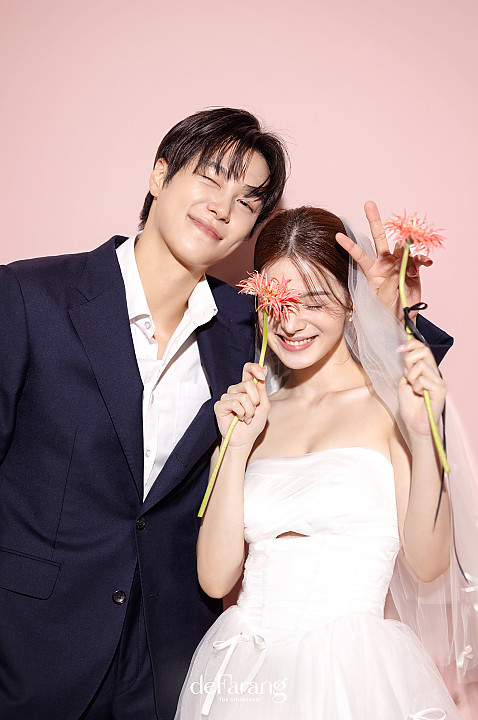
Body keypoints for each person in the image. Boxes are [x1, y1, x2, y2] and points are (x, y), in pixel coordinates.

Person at [0, 108, 288, 720]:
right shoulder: (29, 296)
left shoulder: (247, 335)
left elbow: (352, 360)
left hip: (167, 666)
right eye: (211, 178)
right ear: (160, 175)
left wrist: (389, 300)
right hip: (30, 652)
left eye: (246, 201)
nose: (222, 207)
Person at [173, 207, 472, 719]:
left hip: (353, 674)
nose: (290, 323)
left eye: (314, 302)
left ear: (352, 302)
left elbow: (428, 563)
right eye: (277, 301)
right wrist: (235, 449)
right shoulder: (256, 413)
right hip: (247, 674)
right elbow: (216, 580)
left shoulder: (390, 405)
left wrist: (423, 439)